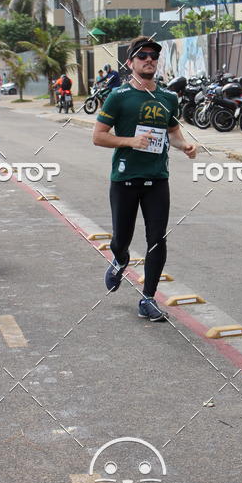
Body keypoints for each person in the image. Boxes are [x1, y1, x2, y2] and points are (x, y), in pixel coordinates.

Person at [93, 36, 196, 321]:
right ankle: (121, 258)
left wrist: (184, 145)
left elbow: (173, 133)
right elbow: (98, 136)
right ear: (130, 63)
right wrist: (131, 141)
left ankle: (148, 298)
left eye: (153, 55)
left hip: (157, 180)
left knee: (157, 240)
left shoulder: (168, 98)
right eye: (142, 56)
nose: (149, 59)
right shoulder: (119, 97)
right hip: (125, 180)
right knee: (121, 238)